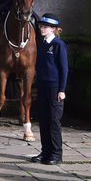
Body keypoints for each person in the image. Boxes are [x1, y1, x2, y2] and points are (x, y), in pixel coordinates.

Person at [30, 13, 68, 164]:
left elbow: (64, 69)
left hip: (54, 87)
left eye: (45, 27)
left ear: (53, 29)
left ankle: (56, 153)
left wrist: (62, 89)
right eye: (41, 26)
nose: (42, 29)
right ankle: (45, 151)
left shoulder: (58, 45)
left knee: (53, 121)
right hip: (43, 85)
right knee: (44, 120)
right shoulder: (43, 44)